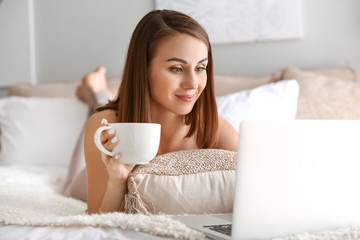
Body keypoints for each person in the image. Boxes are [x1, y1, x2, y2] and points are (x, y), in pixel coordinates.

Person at [66, 9, 238, 214]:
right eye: (176, 68)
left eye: (201, 68)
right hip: (82, 180)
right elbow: (98, 222)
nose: (193, 84)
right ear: (144, 68)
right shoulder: (106, 125)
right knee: (97, 116)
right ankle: (96, 89)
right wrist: (116, 180)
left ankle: (104, 92)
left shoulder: (216, 130)